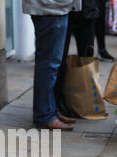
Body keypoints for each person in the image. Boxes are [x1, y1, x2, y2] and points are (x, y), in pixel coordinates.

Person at [22, 0, 83, 131]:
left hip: (55, 7)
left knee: (50, 64)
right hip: (50, 8)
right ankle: (45, 115)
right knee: (49, 64)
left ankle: (50, 111)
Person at [54, 0, 100, 116]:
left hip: (87, 10)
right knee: (60, 58)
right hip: (64, 10)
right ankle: (59, 102)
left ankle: (84, 101)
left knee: (87, 59)